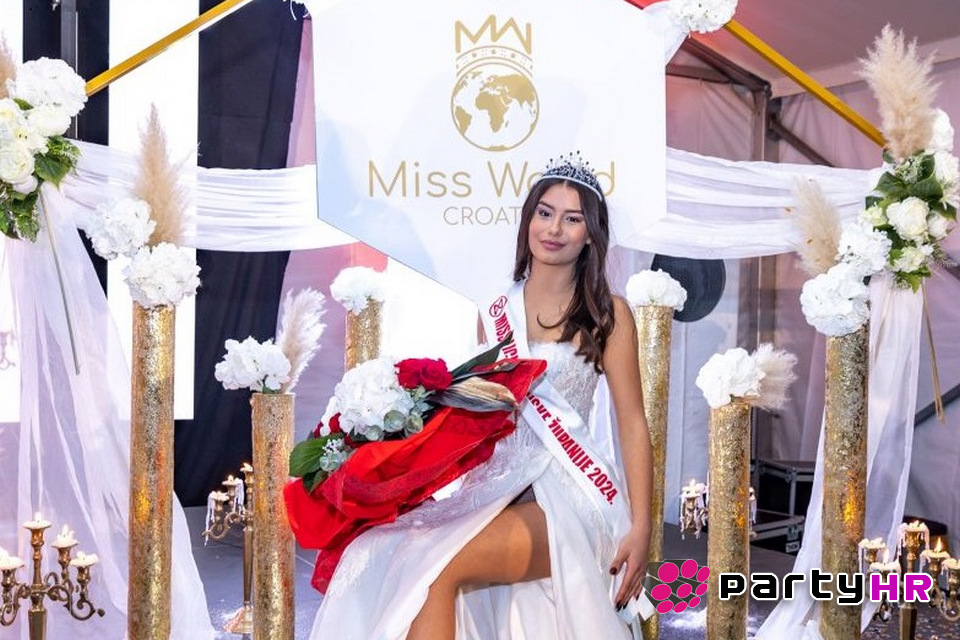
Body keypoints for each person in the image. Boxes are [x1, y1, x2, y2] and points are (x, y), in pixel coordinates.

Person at [308, 153, 653, 640]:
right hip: (499, 483)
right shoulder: (494, 312)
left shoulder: (609, 314)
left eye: (572, 219)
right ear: (529, 219)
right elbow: (488, 417)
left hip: (571, 490)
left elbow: (632, 423)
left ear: (591, 235)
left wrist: (642, 527)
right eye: (545, 212)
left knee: (437, 570)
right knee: (384, 548)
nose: (554, 228)